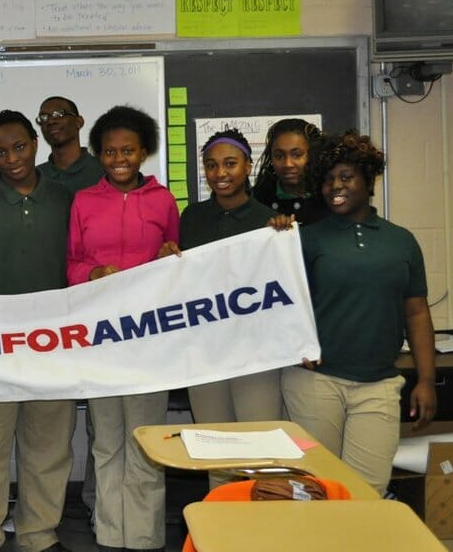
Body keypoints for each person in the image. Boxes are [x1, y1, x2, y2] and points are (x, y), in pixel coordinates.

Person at [273, 130, 436, 496]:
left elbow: (417, 313)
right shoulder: (307, 238)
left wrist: (426, 380)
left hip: (378, 385)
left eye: (346, 177)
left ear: (368, 179)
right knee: (317, 490)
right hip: (316, 383)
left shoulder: (401, 240)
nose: (335, 187)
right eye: (328, 179)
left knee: (367, 491)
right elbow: (280, 306)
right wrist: (294, 344)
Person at [0, 110, 75, 552]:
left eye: (20, 147)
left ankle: (38, 536)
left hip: (54, 347)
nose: (12, 159)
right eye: (1, 151)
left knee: (48, 448)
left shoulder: (66, 198)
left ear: (35, 143)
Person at [66, 105, 178, 552]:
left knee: (147, 442)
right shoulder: (84, 201)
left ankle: (146, 536)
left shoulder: (164, 200)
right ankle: (111, 535)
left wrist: (172, 257)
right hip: (102, 339)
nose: (119, 158)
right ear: (99, 154)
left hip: (150, 339)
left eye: (127, 150)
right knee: (107, 442)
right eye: (110, 151)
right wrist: (92, 274)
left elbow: (176, 259)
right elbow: (71, 264)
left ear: (144, 151)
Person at [178, 129, 283, 432]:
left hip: (256, 355)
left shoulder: (270, 222)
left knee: (259, 444)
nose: (220, 173)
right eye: (211, 165)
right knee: (215, 446)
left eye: (230, 163)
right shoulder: (192, 217)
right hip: (205, 353)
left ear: (248, 166)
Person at [35, 94, 103, 518]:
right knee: (49, 426)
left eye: (61, 114)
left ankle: (100, 504)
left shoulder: (105, 169)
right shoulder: (34, 175)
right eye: (45, 117)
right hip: (50, 315)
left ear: (79, 120)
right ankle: (42, 514)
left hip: (99, 312)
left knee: (104, 419)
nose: (53, 121)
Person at [252, 118, 328, 226]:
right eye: (279, 156)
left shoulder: (327, 196)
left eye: (297, 155)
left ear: (312, 155)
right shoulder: (257, 200)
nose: (288, 164)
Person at [36, 95, 103, 193]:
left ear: (79, 122)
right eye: (44, 117)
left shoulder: (103, 170)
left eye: (59, 114)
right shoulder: (35, 177)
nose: (50, 121)